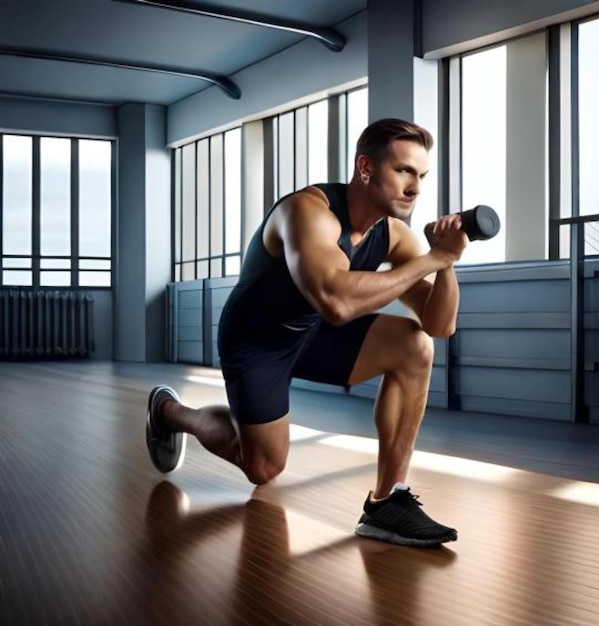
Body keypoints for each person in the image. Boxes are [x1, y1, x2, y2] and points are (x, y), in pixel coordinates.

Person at [146, 118, 468, 548]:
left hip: (313, 332)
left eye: (422, 175)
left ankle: (388, 501)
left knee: (415, 344)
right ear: (366, 168)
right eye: (404, 171)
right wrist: (430, 260)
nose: (416, 187)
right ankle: (170, 412)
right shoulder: (307, 212)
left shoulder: (391, 234)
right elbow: (336, 303)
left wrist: (446, 263)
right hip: (257, 339)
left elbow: (439, 324)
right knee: (263, 469)